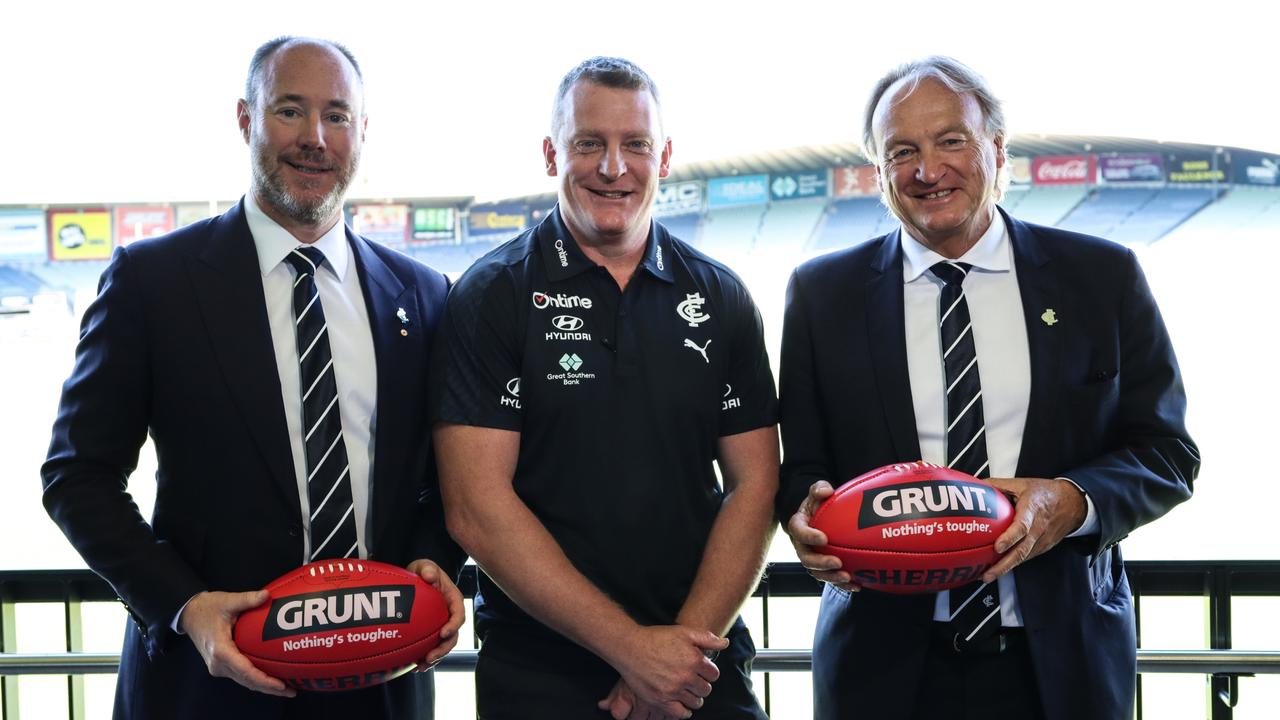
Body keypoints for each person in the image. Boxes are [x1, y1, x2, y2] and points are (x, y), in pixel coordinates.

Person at [41, 36, 465, 719]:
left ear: (362, 131)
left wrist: (432, 560)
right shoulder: (154, 283)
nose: (315, 139)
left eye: (337, 116)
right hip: (207, 682)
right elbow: (77, 476)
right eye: (290, 112)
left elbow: (442, 484)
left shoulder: (423, 294)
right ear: (246, 119)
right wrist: (184, 606)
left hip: (379, 677)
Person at [778, 56, 1199, 720]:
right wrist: (804, 518)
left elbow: (1167, 454)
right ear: (880, 173)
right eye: (902, 151)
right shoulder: (821, 293)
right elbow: (803, 467)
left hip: (1063, 666)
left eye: (951, 140)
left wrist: (1069, 503)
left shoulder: (1102, 278)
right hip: (881, 668)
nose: (927, 169)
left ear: (995, 150)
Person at [431, 56, 779, 720]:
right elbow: (476, 506)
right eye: (589, 144)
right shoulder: (493, 295)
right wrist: (631, 651)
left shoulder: (721, 294)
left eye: (636, 145)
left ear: (665, 156)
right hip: (541, 670)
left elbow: (755, 485)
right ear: (550, 153)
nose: (613, 168)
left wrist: (673, 659)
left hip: (700, 659)